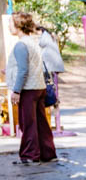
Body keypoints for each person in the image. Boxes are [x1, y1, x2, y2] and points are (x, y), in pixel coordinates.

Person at [6, 12, 57, 164]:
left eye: (11, 23)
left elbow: (23, 70)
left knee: (28, 123)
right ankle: (48, 153)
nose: (9, 26)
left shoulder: (21, 44)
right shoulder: (33, 42)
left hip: (28, 89)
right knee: (41, 123)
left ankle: (30, 155)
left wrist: (16, 90)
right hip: (39, 86)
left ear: (18, 25)